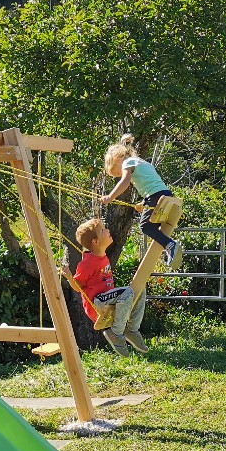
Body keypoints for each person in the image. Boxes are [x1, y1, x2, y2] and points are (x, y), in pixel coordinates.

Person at [60, 218, 148, 357]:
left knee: (139, 289)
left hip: (107, 298)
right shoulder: (87, 263)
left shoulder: (102, 257)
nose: (107, 230)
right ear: (95, 242)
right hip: (97, 302)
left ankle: (132, 330)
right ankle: (116, 333)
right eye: (102, 230)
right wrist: (70, 277)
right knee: (127, 292)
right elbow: (78, 287)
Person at [101, 134, 183, 270]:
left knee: (145, 226)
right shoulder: (140, 161)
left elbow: (125, 182)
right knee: (153, 226)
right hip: (164, 194)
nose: (120, 175)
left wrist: (110, 197)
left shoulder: (127, 163)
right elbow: (151, 183)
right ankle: (168, 246)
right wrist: (144, 203)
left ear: (118, 160)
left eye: (117, 173)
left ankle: (170, 245)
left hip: (156, 196)